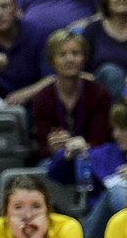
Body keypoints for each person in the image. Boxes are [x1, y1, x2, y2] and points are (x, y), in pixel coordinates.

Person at [46, 96, 127, 238]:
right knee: (116, 191)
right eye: (114, 128)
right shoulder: (106, 154)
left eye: (122, 128)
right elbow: (54, 173)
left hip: (125, 235)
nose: (115, 134)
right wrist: (67, 154)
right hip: (99, 228)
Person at [29, 29, 111, 162]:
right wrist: (53, 147)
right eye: (62, 55)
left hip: (93, 157)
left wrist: (80, 146)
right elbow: (43, 147)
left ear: (84, 57)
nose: (70, 59)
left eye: (75, 53)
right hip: (56, 160)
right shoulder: (42, 98)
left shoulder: (99, 94)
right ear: (52, 60)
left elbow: (100, 141)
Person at [81, 0, 127, 102]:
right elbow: (79, 71)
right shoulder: (93, 30)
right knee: (111, 72)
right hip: (100, 95)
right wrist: (118, 82)